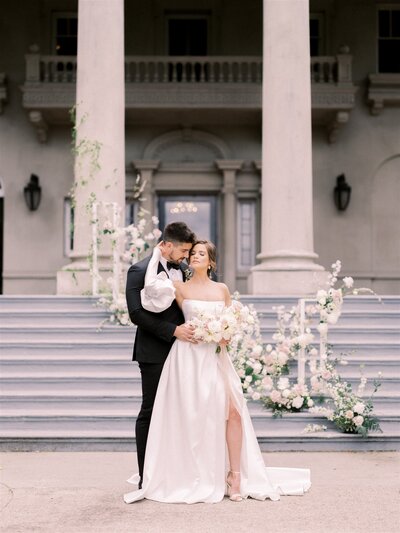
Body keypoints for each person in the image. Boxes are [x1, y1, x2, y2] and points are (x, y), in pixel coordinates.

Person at [124, 240, 311, 504]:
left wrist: (226, 334)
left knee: (232, 411)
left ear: (211, 262)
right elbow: (152, 294)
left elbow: (230, 321)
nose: (195, 256)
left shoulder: (222, 289)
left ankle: (234, 476)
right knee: (195, 414)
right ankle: (194, 473)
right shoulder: (178, 287)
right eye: (192, 253)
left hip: (216, 358)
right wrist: (158, 252)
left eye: (201, 253)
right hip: (188, 356)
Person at [125, 221, 197, 489]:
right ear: (166, 245)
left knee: (181, 411)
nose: (186, 257)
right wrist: (173, 330)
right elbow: (136, 314)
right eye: (183, 251)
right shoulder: (139, 270)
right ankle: (147, 475)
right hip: (154, 352)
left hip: (185, 352)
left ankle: (177, 471)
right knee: (151, 411)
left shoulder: (186, 270)